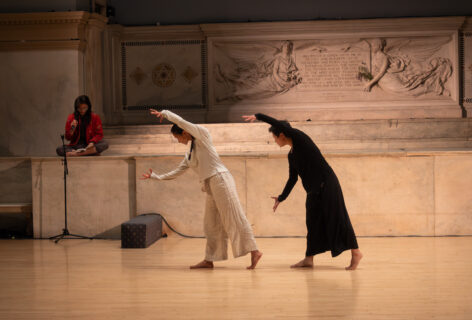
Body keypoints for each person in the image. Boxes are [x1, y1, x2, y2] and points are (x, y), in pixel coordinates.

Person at [142, 109, 262, 269]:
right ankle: (209, 259)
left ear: (184, 132)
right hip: (211, 185)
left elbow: (182, 122)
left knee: (234, 216)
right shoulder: (190, 155)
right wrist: (155, 176)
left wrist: (164, 114)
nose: (177, 141)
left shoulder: (203, 136)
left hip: (221, 179)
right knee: (210, 224)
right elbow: (176, 172)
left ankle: (254, 251)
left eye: (177, 137)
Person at [243, 113, 362, 270]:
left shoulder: (300, 139)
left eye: (275, 137)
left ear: (282, 134)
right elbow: (293, 179)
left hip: (327, 185)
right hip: (313, 191)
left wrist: (258, 116)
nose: (274, 140)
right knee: (312, 223)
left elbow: (280, 124)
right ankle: (309, 259)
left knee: (338, 218)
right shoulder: (291, 155)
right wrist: (281, 197)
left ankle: (356, 253)